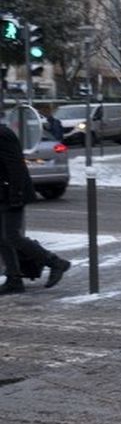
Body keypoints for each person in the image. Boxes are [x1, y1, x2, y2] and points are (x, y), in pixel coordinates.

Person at [0, 123, 70, 295]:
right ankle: (14, 279)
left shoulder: (2, 134)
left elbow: (14, 165)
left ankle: (55, 262)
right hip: (3, 192)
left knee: (12, 236)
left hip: (11, 192)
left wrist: (15, 193)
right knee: (2, 238)